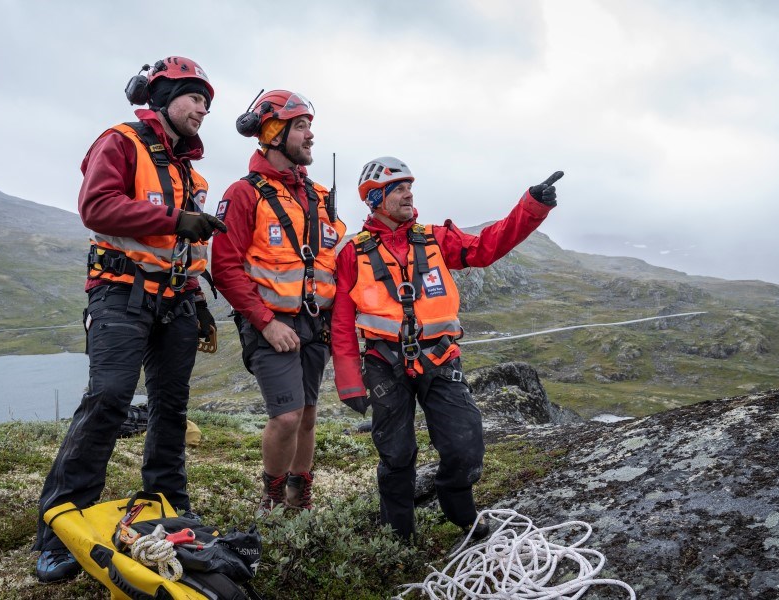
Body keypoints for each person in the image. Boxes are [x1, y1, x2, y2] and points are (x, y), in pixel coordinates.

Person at [33, 56, 226, 583]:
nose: (202, 109)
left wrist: (199, 299)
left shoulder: (192, 172)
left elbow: (183, 248)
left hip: (175, 303)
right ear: (162, 99)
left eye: (206, 102)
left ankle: (169, 506)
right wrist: (175, 218)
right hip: (119, 295)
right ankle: (57, 530)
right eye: (193, 98)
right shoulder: (119, 141)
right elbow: (96, 207)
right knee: (109, 400)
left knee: (171, 407)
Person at [331, 156, 562, 542]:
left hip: (441, 359)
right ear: (375, 198)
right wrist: (350, 384)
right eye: (399, 189)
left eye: (409, 187)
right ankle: (398, 537)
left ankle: (460, 511)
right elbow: (340, 323)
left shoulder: (435, 238)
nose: (409, 194)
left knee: (464, 445)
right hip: (383, 364)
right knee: (396, 454)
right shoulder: (352, 253)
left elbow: (488, 246)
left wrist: (531, 207)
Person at [211, 90, 346, 514]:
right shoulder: (243, 193)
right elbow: (225, 267)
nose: (311, 135)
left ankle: (297, 498)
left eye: (309, 125)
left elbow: (334, 261)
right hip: (270, 325)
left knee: (306, 415)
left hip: (314, 324)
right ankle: (270, 497)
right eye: (301, 125)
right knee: (286, 416)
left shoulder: (321, 196)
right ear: (273, 132)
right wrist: (266, 322)